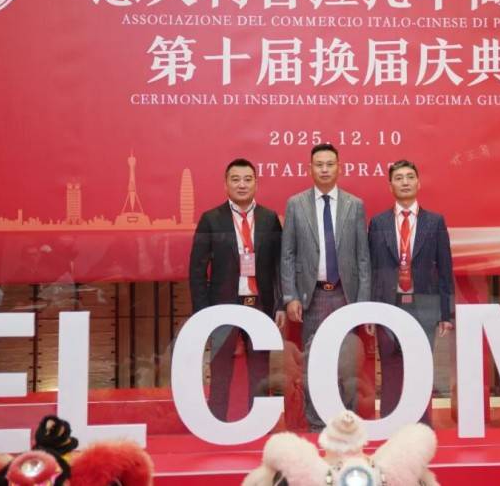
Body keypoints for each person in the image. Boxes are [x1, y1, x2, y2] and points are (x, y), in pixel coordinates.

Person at [281, 143, 371, 430]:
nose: (324, 169)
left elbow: (363, 257)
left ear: (339, 167)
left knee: (347, 362)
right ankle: (316, 423)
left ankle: (347, 421)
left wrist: (363, 302)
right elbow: (288, 254)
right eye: (319, 164)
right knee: (314, 361)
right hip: (313, 296)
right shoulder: (296, 204)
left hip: (345, 295)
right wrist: (290, 296)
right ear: (310, 169)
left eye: (330, 164)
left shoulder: (354, 205)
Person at [189, 158, 284, 421]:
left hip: (260, 305)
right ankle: (216, 423)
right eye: (235, 179)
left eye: (247, 179)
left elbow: (279, 267)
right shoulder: (211, 219)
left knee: (260, 372)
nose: (242, 185)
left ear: (256, 184)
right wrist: (203, 313)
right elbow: (197, 271)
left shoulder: (269, 219)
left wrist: (280, 304)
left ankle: (259, 424)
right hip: (222, 307)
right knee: (220, 371)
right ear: (226, 184)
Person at [368, 159, 455, 424]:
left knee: (420, 366)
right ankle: (390, 422)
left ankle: (421, 423)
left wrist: (446, 313)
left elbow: (445, 269)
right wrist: (370, 311)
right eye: (398, 178)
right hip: (388, 305)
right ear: (390, 186)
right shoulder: (378, 222)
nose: (404, 182)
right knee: (391, 365)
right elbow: (371, 269)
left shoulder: (435, 222)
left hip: (424, 304)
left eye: (409, 177)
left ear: (418, 183)